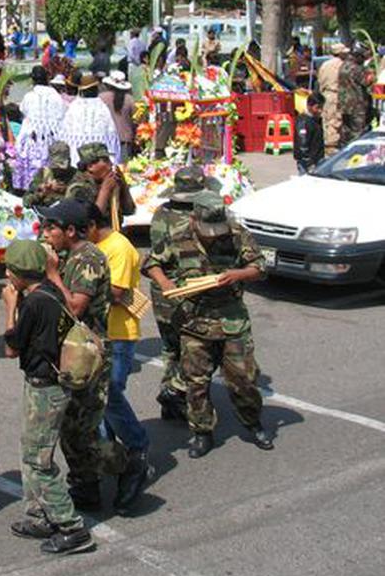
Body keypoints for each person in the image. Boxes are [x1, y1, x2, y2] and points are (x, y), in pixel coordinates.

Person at [143, 192, 274, 458]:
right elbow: (151, 263)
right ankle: (202, 432)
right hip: (194, 321)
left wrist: (238, 274)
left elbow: (260, 267)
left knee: (243, 379)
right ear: (194, 219)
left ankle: (253, 422)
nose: (213, 236)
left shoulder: (237, 234)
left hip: (231, 319)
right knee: (196, 382)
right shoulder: (178, 235)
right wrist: (168, 286)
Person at [36, 200, 146, 513]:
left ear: (71, 230)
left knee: (83, 431)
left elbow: (75, 307)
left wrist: (52, 273)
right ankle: (87, 488)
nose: (46, 233)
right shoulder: (69, 254)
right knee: (71, 430)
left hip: (87, 356)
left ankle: (129, 465)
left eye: (51, 227)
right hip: (68, 352)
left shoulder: (89, 258)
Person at [1, 239, 96, 555]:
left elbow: (11, 347)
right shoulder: (51, 292)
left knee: (38, 460)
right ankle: (38, 514)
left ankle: (71, 527)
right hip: (52, 382)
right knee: (30, 450)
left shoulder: (32, 304)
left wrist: (10, 308)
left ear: (18, 274)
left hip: (46, 387)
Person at [88, 205, 150, 500]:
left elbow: (115, 292)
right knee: (100, 402)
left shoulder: (119, 248)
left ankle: (137, 449)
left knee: (109, 397)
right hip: (100, 334)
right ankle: (111, 457)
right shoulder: (97, 245)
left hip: (119, 334)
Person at [146, 165, 211, 421]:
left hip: (161, 290)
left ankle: (170, 397)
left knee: (170, 347)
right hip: (187, 289)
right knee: (195, 348)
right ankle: (178, 392)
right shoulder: (196, 218)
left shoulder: (161, 213)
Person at [13, 65, 68, 191]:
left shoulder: (29, 96)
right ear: (47, 78)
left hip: (33, 139)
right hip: (52, 139)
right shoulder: (56, 96)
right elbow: (62, 114)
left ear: (32, 80)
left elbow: (23, 110)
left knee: (33, 167)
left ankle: (30, 190)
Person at [56, 71, 120, 165]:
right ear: (96, 89)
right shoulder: (102, 108)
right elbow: (111, 135)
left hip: (76, 156)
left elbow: (64, 134)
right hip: (98, 159)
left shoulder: (73, 107)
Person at [66, 142, 135, 220]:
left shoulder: (105, 181)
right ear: (90, 166)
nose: (111, 164)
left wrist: (123, 184)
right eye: (106, 160)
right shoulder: (78, 187)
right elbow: (89, 222)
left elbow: (129, 210)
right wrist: (105, 190)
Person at [22, 141, 75, 209]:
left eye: (61, 164)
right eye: (55, 165)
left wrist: (65, 190)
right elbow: (26, 202)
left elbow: (80, 207)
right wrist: (42, 192)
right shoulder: (43, 174)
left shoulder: (75, 175)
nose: (58, 169)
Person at [317, 43, 347, 154]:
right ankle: (332, 146)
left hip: (327, 94)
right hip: (338, 94)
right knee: (336, 120)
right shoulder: (343, 65)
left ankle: (329, 144)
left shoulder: (325, 65)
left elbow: (320, 81)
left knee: (328, 119)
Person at [99, 71, 136, 158]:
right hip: (125, 139)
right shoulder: (130, 99)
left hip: (106, 139)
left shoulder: (101, 98)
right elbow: (136, 120)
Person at [339, 47, 370, 148]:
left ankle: (344, 148)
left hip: (344, 103)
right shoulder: (356, 68)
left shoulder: (343, 66)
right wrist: (372, 76)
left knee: (346, 128)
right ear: (358, 56)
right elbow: (365, 82)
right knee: (357, 129)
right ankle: (355, 149)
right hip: (356, 103)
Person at [294, 92, 325, 175]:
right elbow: (302, 142)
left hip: (317, 159)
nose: (320, 110)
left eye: (321, 107)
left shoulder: (316, 120)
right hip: (307, 162)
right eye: (317, 108)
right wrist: (308, 161)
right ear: (309, 106)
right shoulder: (303, 121)